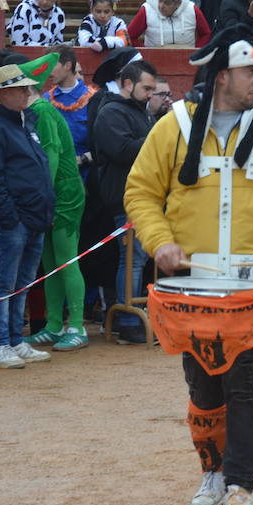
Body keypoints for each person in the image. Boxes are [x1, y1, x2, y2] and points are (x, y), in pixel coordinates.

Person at [125, 28, 253, 505]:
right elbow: (142, 192)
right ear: (223, 75)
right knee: (203, 384)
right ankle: (211, 470)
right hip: (192, 283)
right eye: (251, 71)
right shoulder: (174, 126)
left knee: (245, 384)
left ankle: (240, 486)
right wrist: (158, 239)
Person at [0, 63, 55, 369]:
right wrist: (9, 217)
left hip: (29, 217)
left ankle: (14, 340)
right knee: (4, 283)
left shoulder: (19, 123)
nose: (28, 93)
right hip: (15, 220)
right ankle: (0, 343)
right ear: (3, 94)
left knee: (21, 282)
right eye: (21, 89)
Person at [15, 54, 90, 353]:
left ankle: (78, 326)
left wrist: (42, 196)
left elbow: (53, 157)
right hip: (50, 194)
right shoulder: (36, 109)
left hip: (63, 195)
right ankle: (54, 324)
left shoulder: (42, 111)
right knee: (50, 263)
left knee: (66, 259)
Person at [91, 55, 158, 345]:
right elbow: (121, 150)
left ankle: (130, 314)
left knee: (136, 258)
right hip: (123, 195)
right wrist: (159, 137)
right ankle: (128, 319)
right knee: (132, 258)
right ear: (127, 84)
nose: (150, 95)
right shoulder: (111, 113)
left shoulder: (136, 111)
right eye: (147, 89)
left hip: (139, 195)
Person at [128, 0, 212, 48]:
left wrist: (195, 52)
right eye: (160, 0)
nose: (161, 6)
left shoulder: (192, 10)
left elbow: (206, 34)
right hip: (154, 60)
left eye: (167, 3)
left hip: (186, 60)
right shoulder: (146, 10)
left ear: (178, 3)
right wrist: (146, 53)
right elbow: (129, 36)